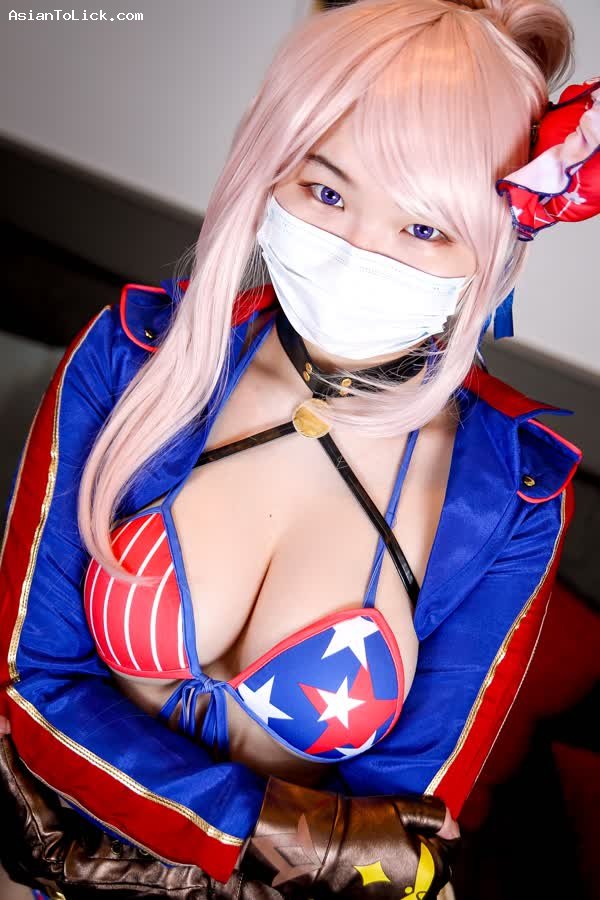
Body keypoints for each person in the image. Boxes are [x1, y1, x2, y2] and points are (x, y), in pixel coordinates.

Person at [0, 1, 598, 897]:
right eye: (327, 192)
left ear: (493, 250)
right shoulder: (128, 359)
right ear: (268, 167)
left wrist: (190, 852)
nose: (358, 250)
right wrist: (269, 832)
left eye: (424, 228)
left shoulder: (511, 494)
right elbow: (31, 680)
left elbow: (401, 827)